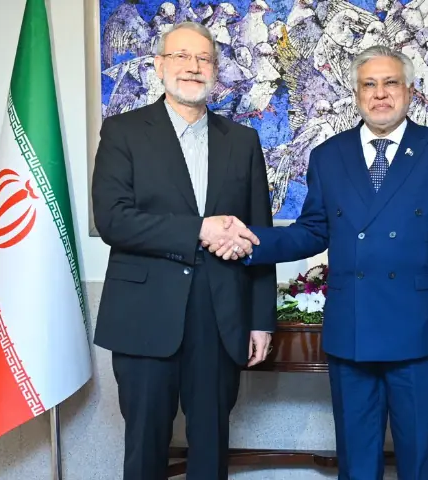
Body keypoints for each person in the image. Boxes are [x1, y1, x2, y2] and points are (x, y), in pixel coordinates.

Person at [209, 45, 428, 479]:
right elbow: (312, 231)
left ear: (410, 91)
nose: (380, 94)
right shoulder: (328, 156)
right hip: (351, 330)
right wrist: (249, 241)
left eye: (390, 83)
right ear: (355, 94)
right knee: (356, 462)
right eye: (369, 85)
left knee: (418, 460)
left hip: (421, 335)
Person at [91, 22, 276, 480]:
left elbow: (260, 237)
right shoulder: (122, 132)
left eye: (203, 58)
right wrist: (199, 230)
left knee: (211, 450)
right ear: (159, 65)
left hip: (220, 318)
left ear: (216, 69)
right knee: (145, 450)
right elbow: (113, 220)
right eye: (180, 56)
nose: (192, 67)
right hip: (144, 316)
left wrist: (260, 319)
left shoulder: (243, 141)